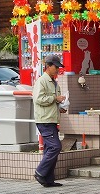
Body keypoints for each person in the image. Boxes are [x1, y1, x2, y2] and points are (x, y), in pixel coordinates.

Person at [33, 55, 66, 187]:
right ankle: (40, 172)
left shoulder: (54, 82)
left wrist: (60, 107)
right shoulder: (42, 81)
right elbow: (38, 99)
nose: (58, 69)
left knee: (49, 149)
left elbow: (53, 101)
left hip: (51, 119)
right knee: (55, 147)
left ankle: (48, 179)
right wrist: (55, 99)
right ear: (49, 66)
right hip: (45, 120)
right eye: (56, 67)